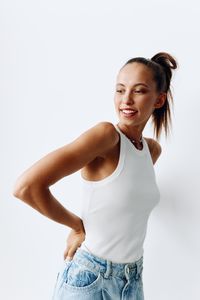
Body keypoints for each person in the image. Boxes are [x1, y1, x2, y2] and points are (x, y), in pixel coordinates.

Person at [13, 51, 178, 300]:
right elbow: (26, 187)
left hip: (132, 281)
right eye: (120, 90)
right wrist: (76, 226)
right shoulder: (106, 137)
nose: (127, 100)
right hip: (90, 279)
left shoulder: (151, 150)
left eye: (139, 90)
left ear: (159, 99)